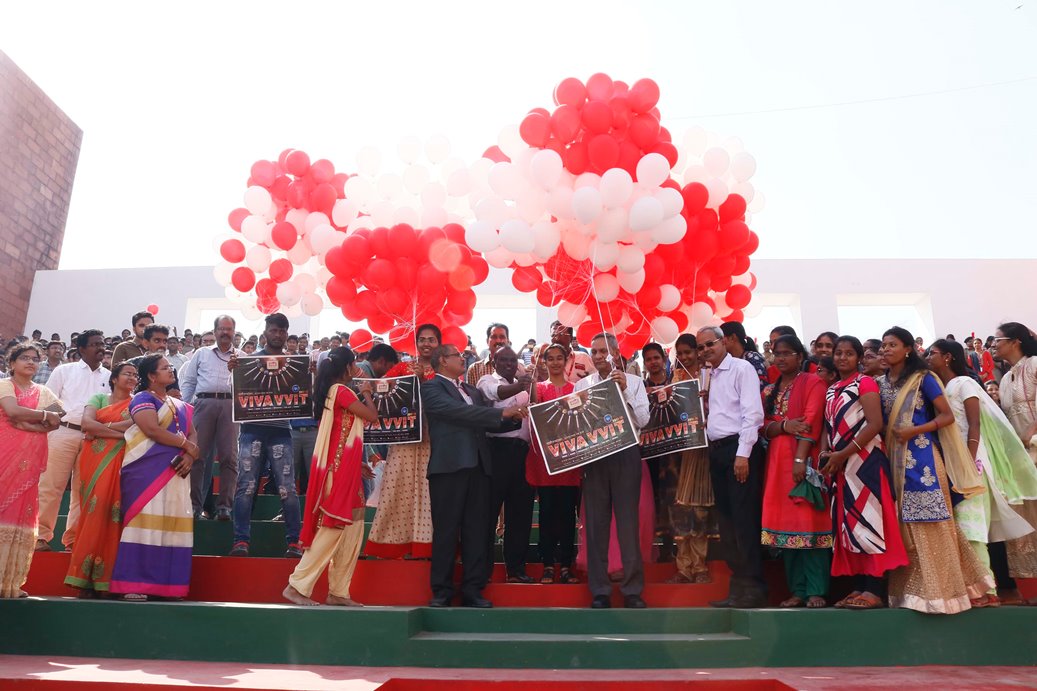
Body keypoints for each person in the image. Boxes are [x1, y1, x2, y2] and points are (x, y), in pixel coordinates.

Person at [878, 326, 991, 614]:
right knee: (906, 524)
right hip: (894, 460)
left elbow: (947, 415)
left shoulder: (924, 379)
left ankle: (944, 593)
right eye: (883, 345)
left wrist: (915, 430)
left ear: (907, 349)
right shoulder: (880, 382)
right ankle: (912, 594)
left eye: (892, 344)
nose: (885, 349)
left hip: (923, 460)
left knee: (930, 521)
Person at [927, 339, 1036, 607]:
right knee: (960, 530)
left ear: (949, 357)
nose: (928, 357)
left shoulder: (965, 383)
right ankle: (971, 588)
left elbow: (974, 423)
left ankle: (987, 591)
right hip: (950, 464)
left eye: (933, 353)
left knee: (971, 526)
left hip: (972, 463)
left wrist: (970, 458)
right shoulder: (938, 388)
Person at [423, 343, 526, 608]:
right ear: (443, 361)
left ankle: (473, 589)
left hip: (480, 467)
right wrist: (501, 412)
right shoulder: (432, 387)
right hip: (449, 468)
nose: (463, 358)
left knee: (476, 531)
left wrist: (517, 417)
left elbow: (488, 421)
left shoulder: (471, 390)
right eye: (458, 355)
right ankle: (442, 591)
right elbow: (457, 412)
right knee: (446, 531)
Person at [283, 348, 379, 607]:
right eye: (355, 363)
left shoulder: (335, 391)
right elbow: (372, 417)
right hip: (337, 471)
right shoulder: (341, 391)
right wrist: (368, 393)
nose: (357, 367)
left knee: (353, 529)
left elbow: (341, 434)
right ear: (348, 367)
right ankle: (297, 586)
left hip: (345, 468)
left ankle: (338, 591)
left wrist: (356, 464)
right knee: (332, 528)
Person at [818, 336, 908, 610]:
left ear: (858, 358)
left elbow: (875, 424)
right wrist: (825, 454)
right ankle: (859, 587)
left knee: (871, 521)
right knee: (849, 525)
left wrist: (842, 454)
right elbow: (827, 427)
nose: (843, 358)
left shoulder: (864, 383)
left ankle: (875, 589)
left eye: (849, 353)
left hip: (865, 461)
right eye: (838, 353)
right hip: (840, 465)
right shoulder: (832, 388)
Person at [109, 354, 199, 601]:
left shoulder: (179, 404)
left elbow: (192, 433)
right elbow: (151, 429)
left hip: (178, 471)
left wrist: (190, 456)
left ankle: (169, 586)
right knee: (143, 525)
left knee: (172, 525)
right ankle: (134, 583)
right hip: (145, 471)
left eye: (171, 367)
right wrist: (186, 446)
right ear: (151, 375)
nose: (171, 371)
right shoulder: (143, 398)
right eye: (165, 368)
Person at [576, 333, 651, 609]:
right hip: (595, 458)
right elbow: (576, 423)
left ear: (616, 354)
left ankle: (632, 591)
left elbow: (644, 419)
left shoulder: (634, 383)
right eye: (593, 352)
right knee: (596, 526)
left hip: (626, 454)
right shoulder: (582, 384)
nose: (597, 356)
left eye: (602, 352)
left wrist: (625, 392)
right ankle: (600, 591)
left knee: (628, 524)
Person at [759, 335, 831, 608]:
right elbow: (761, 424)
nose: (781, 358)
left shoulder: (813, 382)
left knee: (809, 522)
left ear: (800, 357)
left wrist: (800, 460)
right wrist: (784, 426)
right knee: (785, 527)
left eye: (788, 353)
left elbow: (811, 419)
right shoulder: (769, 390)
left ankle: (816, 590)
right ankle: (797, 590)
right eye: (778, 354)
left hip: (804, 458)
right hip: (776, 463)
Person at [698, 326, 767, 608]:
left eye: (709, 344)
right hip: (717, 452)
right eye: (700, 347)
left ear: (724, 341)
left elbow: (753, 414)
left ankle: (754, 588)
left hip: (739, 450)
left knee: (743, 522)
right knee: (726, 525)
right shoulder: (708, 374)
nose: (705, 351)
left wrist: (742, 455)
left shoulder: (742, 369)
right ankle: (738, 588)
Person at [228, 313, 302, 558]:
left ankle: (294, 542)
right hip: (252, 429)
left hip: (281, 430)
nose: (278, 334)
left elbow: (306, 394)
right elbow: (235, 393)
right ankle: (241, 540)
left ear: (286, 334)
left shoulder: (295, 363)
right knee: (246, 486)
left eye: (282, 331)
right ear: (266, 332)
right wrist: (233, 374)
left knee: (288, 489)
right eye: (274, 330)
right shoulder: (247, 361)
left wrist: (309, 374)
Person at [365, 324, 441, 558]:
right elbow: (383, 392)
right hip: (404, 439)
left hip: (432, 439)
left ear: (439, 343)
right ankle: (392, 545)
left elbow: (449, 399)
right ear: (416, 342)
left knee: (429, 492)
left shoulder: (444, 368)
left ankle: (427, 546)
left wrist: (424, 381)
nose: (426, 344)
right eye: (422, 339)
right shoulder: (401, 367)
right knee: (398, 487)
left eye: (431, 340)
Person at [63, 362, 138, 596]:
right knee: (93, 513)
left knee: (114, 514)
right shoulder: (98, 398)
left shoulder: (138, 402)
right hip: (93, 461)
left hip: (121, 462)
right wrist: (119, 432)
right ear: (114, 378)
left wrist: (100, 428)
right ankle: (84, 579)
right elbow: (86, 424)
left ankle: (107, 580)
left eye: (136, 375)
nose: (133, 378)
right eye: (127, 374)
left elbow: (134, 427)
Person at [35, 330, 111, 551]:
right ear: (81, 349)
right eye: (96, 344)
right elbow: (47, 402)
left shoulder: (110, 376)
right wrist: (58, 424)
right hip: (63, 431)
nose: (101, 348)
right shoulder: (64, 370)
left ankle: (74, 541)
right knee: (50, 485)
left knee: (83, 490)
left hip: (93, 436)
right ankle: (40, 536)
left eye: (103, 344)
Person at [0, 342, 61, 597]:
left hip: (31, 458)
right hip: (6, 452)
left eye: (35, 358)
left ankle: (9, 583)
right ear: (11, 363)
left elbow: (58, 418)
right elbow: (12, 411)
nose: (30, 362)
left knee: (22, 512)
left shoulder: (44, 391)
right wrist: (42, 417)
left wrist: (31, 422)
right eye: (24, 357)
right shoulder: (5, 384)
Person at [477, 346, 534, 583]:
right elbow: (495, 394)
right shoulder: (486, 380)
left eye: (513, 360)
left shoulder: (526, 386)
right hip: (496, 452)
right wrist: (521, 385)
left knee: (520, 514)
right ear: (494, 361)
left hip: (523, 453)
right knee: (488, 515)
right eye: (504, 360)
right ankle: (482, 572)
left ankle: (516, 569)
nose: (509, 364)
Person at [526, 343, 582, 584]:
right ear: (544, 362)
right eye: (551, 359)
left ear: (567, 360)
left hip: (571, 462)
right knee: (547, 513)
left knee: (569, 515)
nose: (556, 362)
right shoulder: (538, 389)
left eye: (560, 358)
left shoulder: (576, 389)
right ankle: (548, 564)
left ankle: (567, 565)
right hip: (546, 462)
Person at [179, 315, 243, 520]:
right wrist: (185, 409)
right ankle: (195, 506)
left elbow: (247, 388)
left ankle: (225, 507)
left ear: (234, 332)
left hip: (230, 406)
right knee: (197, 456)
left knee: (229, 458)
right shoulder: (201, 353)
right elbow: (189, 382)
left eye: (229, 329)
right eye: (221, 329)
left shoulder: (241, 356)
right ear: (215, 332)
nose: (225, 332)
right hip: (203, 405)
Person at [991, 321, 1037, 603]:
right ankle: (1030, 593)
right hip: (1020, 460)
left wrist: (1031, 433)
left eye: (998, 340)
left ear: (1016, 341)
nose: (994, 344)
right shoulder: (1006, 377)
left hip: (1033, 448)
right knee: (1025, 522)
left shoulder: (1034, 365)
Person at [667, 333, 717, 584]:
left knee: (699, 511)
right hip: (679, 453)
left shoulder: (711, 375)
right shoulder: (675, 379)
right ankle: (683, 567)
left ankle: (700, 567)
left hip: (704, 449)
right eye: (681, 353)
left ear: (697, 352)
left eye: (689, 352)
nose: (686, 357)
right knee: (681, 511)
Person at [126, 325, 180, 396]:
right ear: (146, 343)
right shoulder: (132, 365)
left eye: (165, 341)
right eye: (157, 341)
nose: (162, 345)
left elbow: (174, 395)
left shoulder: (171, 369)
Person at [721, 322, 768, 388]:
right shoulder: (727, 361)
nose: (719, 343)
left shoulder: (752, 358)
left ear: (732, 337)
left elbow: (761, 388)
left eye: (721, 338)